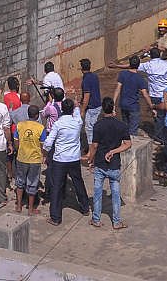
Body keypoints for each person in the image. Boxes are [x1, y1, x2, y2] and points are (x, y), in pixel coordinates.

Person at [83, 96, 131, 230]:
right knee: (116, 194)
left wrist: (90, 160)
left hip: (100, 164)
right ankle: (116, 222)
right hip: (114, 164)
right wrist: (114, 151)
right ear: (113, 109)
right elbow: (128, 144)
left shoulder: (98, 126)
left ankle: (96, 219)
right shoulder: (121, 125)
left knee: (97, 193)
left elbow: (94, 146)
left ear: (103, 109)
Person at [41, 97, 90, 225]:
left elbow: (48, 143)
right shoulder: (77, 122)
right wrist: (76, 105)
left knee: (57, 187)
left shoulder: (58, 124)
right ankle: (85, 207)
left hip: (60, 159)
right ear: (72, 110)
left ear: (62, 109)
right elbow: (78, 114)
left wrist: (44, 153)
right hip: (74, 158)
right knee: (78, 182)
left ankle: (56, 217)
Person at [140, 46, 167, 162]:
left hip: (154, 95)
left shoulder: (147, 65)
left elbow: (135, 65)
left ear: (150, 55)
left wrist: (142, 55)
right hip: (165, 94)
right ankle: (164, 136)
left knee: (158, 116)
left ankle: (160, 136)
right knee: (165, 115)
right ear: (159, 55)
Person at [13, 104, 44, 215]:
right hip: (34, 160)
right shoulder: (41, 128)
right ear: (37, 116)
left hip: (21, 158)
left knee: (20, 182)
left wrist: (18, 149)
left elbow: (16, 140)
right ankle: (30, 209)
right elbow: (42, 144)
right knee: (33, 183)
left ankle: (19, 206)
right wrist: (42, 155)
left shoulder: (20, 125)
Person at [114, 55, 152, 137]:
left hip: (123, 105)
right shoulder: (140, 79)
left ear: (129, 64)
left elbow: (117, 89)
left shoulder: (122, 74)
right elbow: (145, 95)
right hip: (134, 107)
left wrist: (113, 103)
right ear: (138, 65)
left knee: (125, 127)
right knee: (133, 130)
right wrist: (151, 106)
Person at [79, 59, 102, 146]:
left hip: (92, 108)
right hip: (97, 105)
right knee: (94, 127)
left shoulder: (86, 80)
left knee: (89, 129)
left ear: (82, 68)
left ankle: (91, 149)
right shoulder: (94, 76)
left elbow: (87, 96)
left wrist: (82, 110)